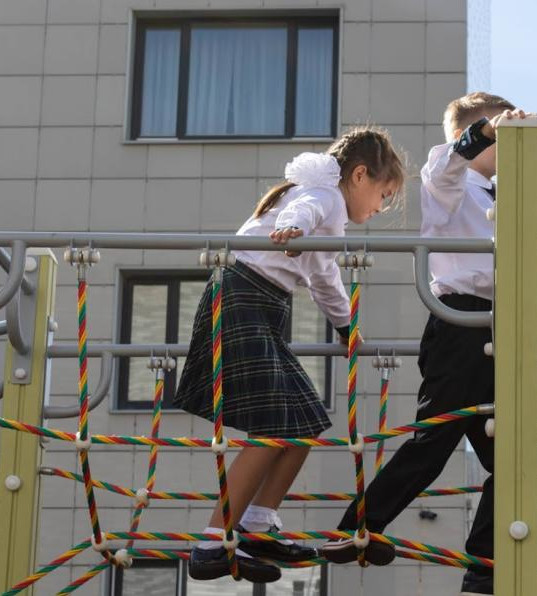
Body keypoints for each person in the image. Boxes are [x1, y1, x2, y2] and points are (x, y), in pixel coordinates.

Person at [174, 127, 406, 583]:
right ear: (360, 175)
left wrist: (347, 329)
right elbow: (306, 210)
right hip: (242, 298)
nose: (380, 208)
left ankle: (258, 523)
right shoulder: (322, 198)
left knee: (306, 418)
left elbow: (324, 280)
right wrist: (293, 227)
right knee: (275, 425)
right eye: (383, 194)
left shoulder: (328, 213)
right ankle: (211, 542)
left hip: (262, 304)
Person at [322, 92, 530, 596]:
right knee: (433, 443)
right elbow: (447, 162)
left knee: (511, 459)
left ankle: (485, 567)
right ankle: (355, 529)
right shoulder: (449, 182)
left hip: (498, 327)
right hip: (458, 323)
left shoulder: (503, 193)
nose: (504, 147)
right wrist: (486, 131)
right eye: (497, 138)